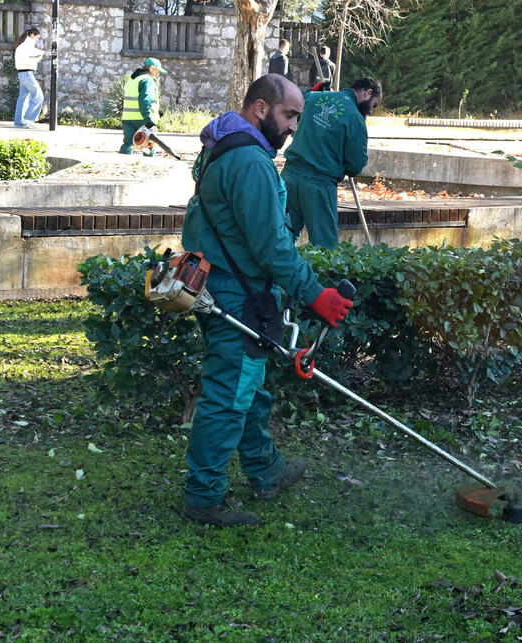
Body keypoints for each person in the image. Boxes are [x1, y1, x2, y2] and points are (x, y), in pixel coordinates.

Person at [179, 73, 354, 527]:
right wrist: (316, 294)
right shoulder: (251, 163)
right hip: (236, 296)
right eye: (289, 115)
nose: (295, 126)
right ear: (261, 108)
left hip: (221, 284)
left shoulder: (221, 144)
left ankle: (266, 470)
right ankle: (203, 498)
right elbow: (274, 247)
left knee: (248, 390)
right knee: (228, 397)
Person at [281, 76, 382, 249]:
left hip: (288, 177)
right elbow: (355, 166)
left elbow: (294, 100)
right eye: (374, 105)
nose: (371, 111)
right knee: (325, 248)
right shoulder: (355, 119)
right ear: (368, 93)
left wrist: (314, 91)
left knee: (280, 238)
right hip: (319, 185)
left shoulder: (313, 98)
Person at [119, 57, 166, 156]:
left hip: (127, 118)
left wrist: (158, 111)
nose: (157, 73)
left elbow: (134, 98)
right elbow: (145, 101)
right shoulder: (147, 80)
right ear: (152, 68)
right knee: (148, 146)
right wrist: (149, 120)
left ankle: (123, 164)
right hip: (142, 119)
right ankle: (151, 167)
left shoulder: (132, 79)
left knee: (128, 145)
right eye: (157, 71)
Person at [13, 27, 45, 129]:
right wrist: (40, 55)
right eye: (37, 38)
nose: (37, 40)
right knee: (38, 95)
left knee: (23, 98)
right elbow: (32, 56)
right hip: (26, 73)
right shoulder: (27, 45)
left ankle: (19, 122)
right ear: (32, 35)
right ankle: (28, 119)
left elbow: (28, 57)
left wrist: (38, 55)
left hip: (22, 73)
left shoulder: (23, 45)